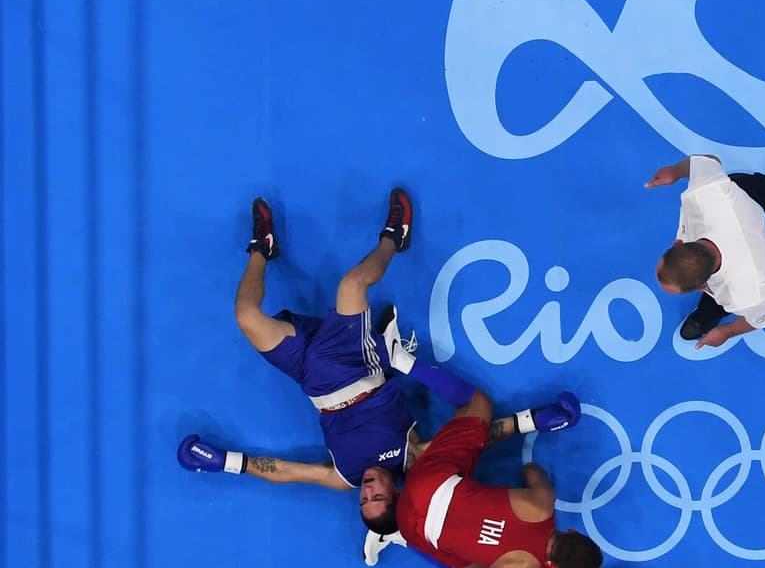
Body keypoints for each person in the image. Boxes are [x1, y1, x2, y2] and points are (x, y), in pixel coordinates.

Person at [176, 190, 580, 536]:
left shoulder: (344, 477)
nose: (367, 489)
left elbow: (284, 471)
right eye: (378, 496)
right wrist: (533, 421)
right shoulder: (413, 455)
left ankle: (261, 249)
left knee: (246, 316)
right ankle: (393, 238)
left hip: (308, 376)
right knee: (352, 285)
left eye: (364, 500)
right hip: (353, 362)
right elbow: (476, 434)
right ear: (396, 492)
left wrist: (226, 463)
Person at [388, 385, 649, 568]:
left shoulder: (541, 504)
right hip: (415, 527)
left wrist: (536, 489)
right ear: (554, 566)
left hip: (434, 480)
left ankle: (528, 420)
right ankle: (398, 534)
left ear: (572, 531)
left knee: (475, 438)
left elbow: (532, 470)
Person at [645, 154, 765, 349]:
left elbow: (761, 316)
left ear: (703, 286)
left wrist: (727, 332)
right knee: (750, 188)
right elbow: (708, 161)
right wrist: (675, 172)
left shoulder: (747, 293)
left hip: (744, 198)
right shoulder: (708, 191)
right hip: (734, 202)